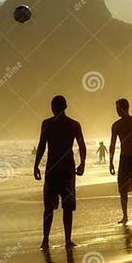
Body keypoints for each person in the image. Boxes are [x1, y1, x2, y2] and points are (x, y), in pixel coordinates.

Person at [34, 95, 86, 250]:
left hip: (55, 169)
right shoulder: (73, 124)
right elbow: (82, 146)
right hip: (66, 169)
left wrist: (36, 165)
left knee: (52, 207)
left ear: (55, 107)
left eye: (53, 105)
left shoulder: (48, 124)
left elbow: (42, 146)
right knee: (65, 206)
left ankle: (47, 240)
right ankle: (64, 240)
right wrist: (83, 163)